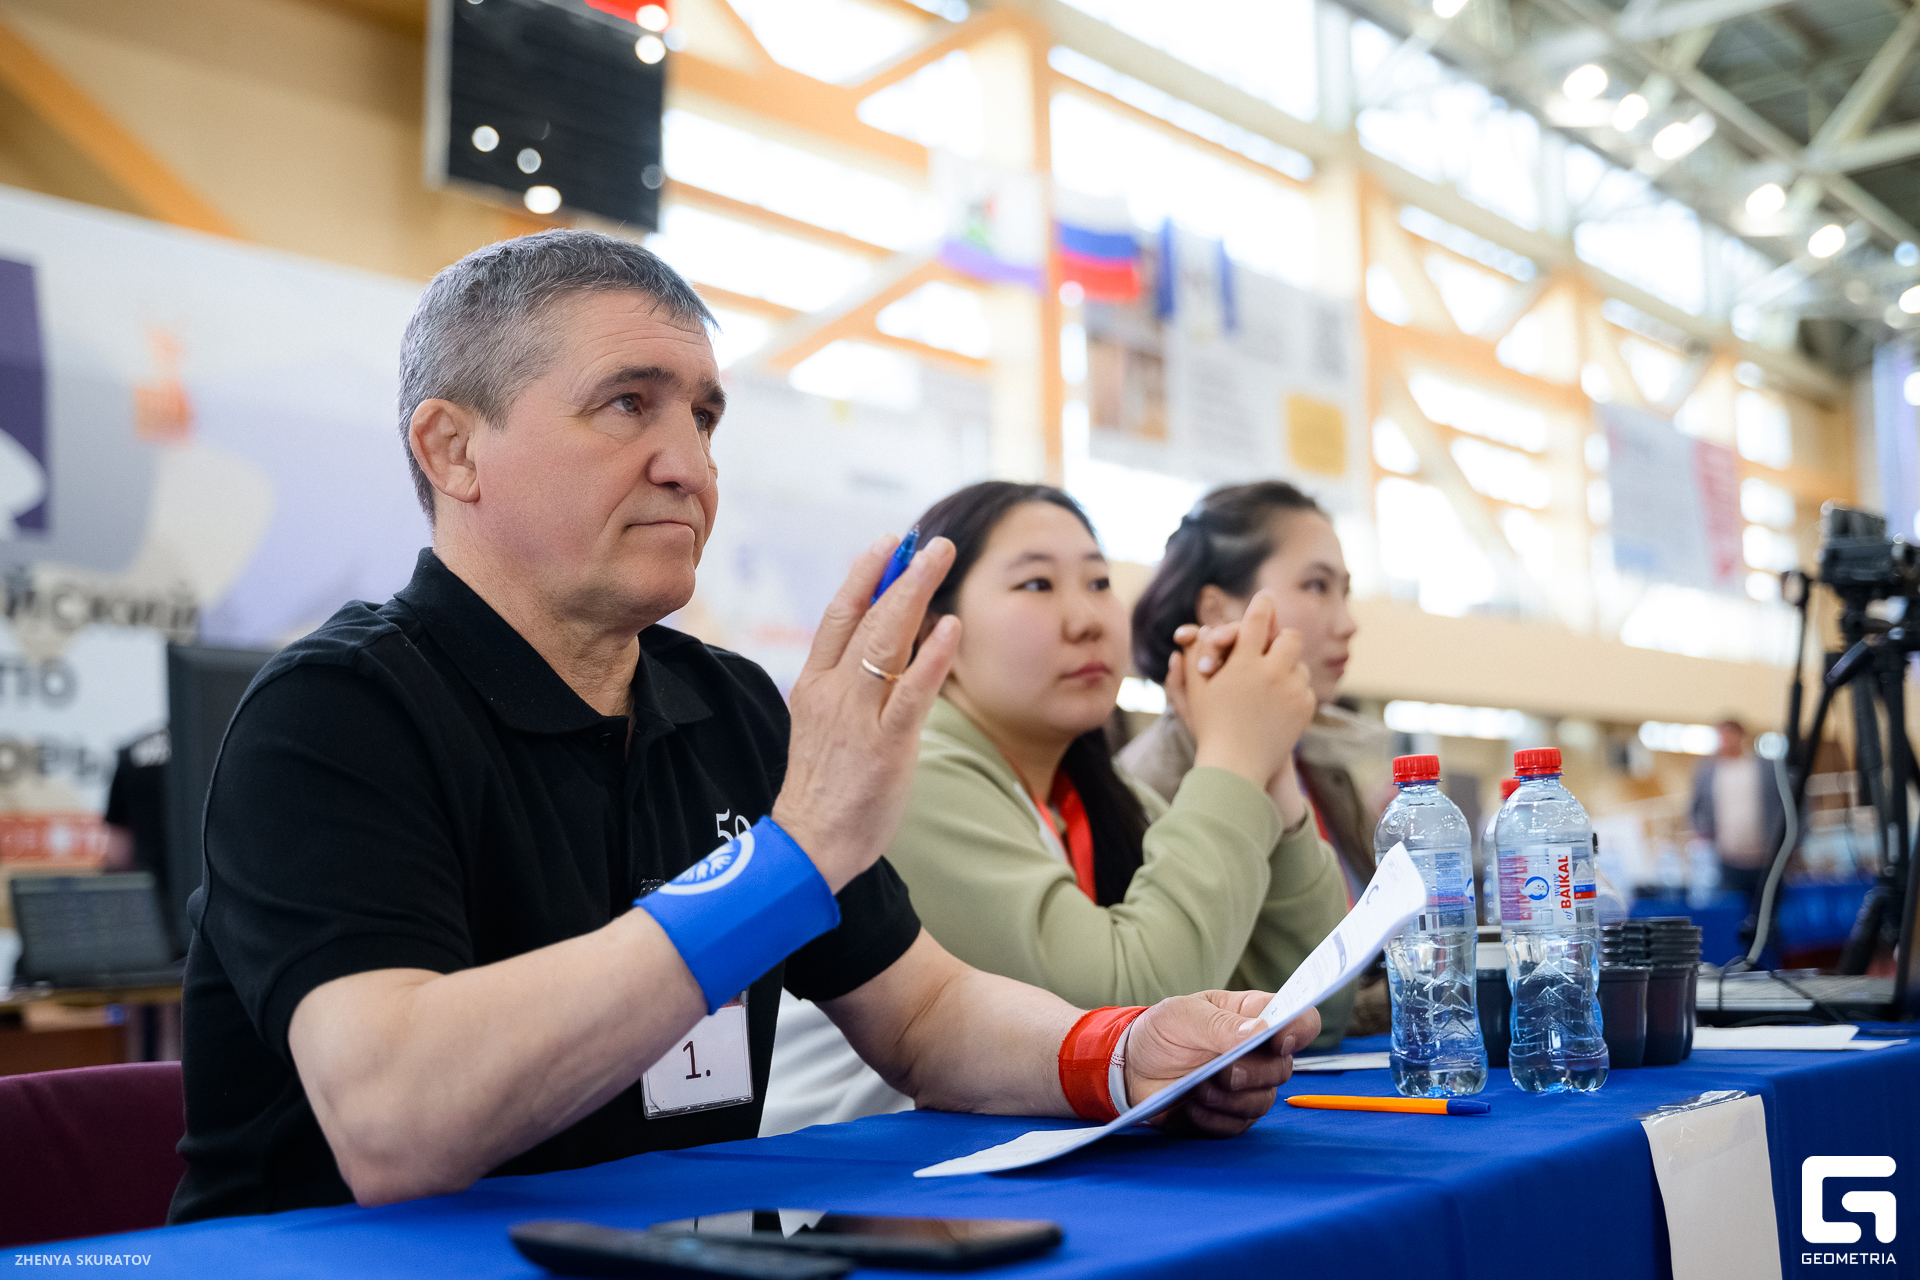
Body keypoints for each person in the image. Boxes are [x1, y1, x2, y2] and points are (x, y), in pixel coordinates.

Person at [168, 231, 1313, 1224]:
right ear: (451, 449)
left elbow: (922, 1012)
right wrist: (787, 860)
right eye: (628, 404)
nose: (690, 464)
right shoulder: (335, 712)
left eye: (704, 415)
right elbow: (394, 1121)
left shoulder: (728, 708)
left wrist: (1122, 1053)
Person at [762, 482, 1349, 1135]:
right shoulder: (912, 778)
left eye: (1099, 583)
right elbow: (1125, 1014)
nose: (1086, 619)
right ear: (933, 631)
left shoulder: (1101, 796)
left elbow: (1311, 1007)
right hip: (840, 1177)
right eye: (1037, 584)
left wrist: (1270, 764)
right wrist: (1234, 754)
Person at [1119, 481, 1389, 1032]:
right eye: (1316, 586)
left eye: (1345, 591)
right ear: (1217, 610)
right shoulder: (1149, 783)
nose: (1347, 623)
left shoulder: (1323, 768)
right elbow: (1232, 997)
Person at [1689, 718, 1785, 931]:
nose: (1726, 740)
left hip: (1766, 858)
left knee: (1769, 920)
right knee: (1734, 922)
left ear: (1741, 736)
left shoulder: (1766, 767)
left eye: (1730, 735)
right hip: (1728, 860)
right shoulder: (1708, 772)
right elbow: (1695, 807)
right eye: (1722, 736)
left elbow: (1792, 802)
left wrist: (1792, 844)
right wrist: (1703, 833)